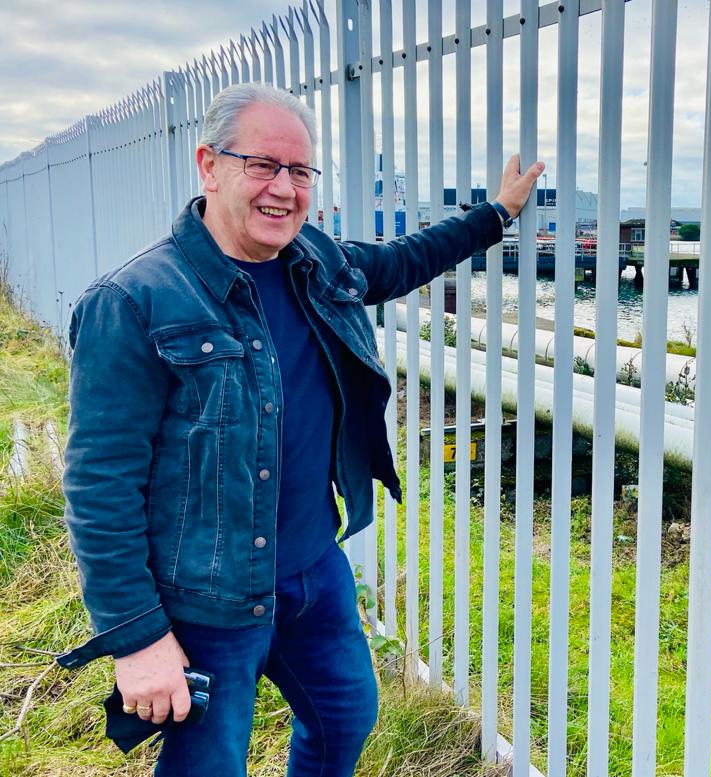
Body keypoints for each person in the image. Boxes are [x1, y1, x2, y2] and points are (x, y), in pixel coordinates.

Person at [56, 82, 542, 776]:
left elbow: (403, 259)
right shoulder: (133, 301)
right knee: (207, 764)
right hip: (207, 598)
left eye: (300, 171)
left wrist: (496, 216)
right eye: (262, 165)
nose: (283, 188)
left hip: (314, 568)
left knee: (346, 713)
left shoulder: (318, 264)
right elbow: (100, 486)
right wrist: (138, 640)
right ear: (210, 164)